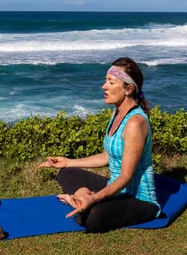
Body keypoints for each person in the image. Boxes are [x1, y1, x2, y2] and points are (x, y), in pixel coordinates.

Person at [40, 57, 161, 233]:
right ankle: (81, 197)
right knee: (67, 172)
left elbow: (126, 177)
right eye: (106, 81)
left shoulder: (135, 122)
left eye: (111, 82)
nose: (104, 86)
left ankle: (83, 201)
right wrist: (68, 161)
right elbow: (106, 156)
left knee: (93, 216)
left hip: (139, 199)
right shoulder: (117, 112)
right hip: (116, 187)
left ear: (129, 89)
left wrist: (95, 198)